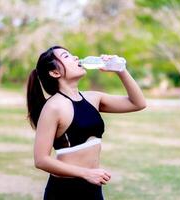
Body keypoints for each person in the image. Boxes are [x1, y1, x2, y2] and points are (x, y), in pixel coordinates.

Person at [26, 45, 146, 200]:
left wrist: (120, 70)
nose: (75, 57)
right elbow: (41, 160)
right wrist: (86, 173)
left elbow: (138, 103)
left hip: (93, 187)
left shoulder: (93, 98)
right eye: (66, 56)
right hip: (65, 190)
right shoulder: (54, 107)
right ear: (55, 72)